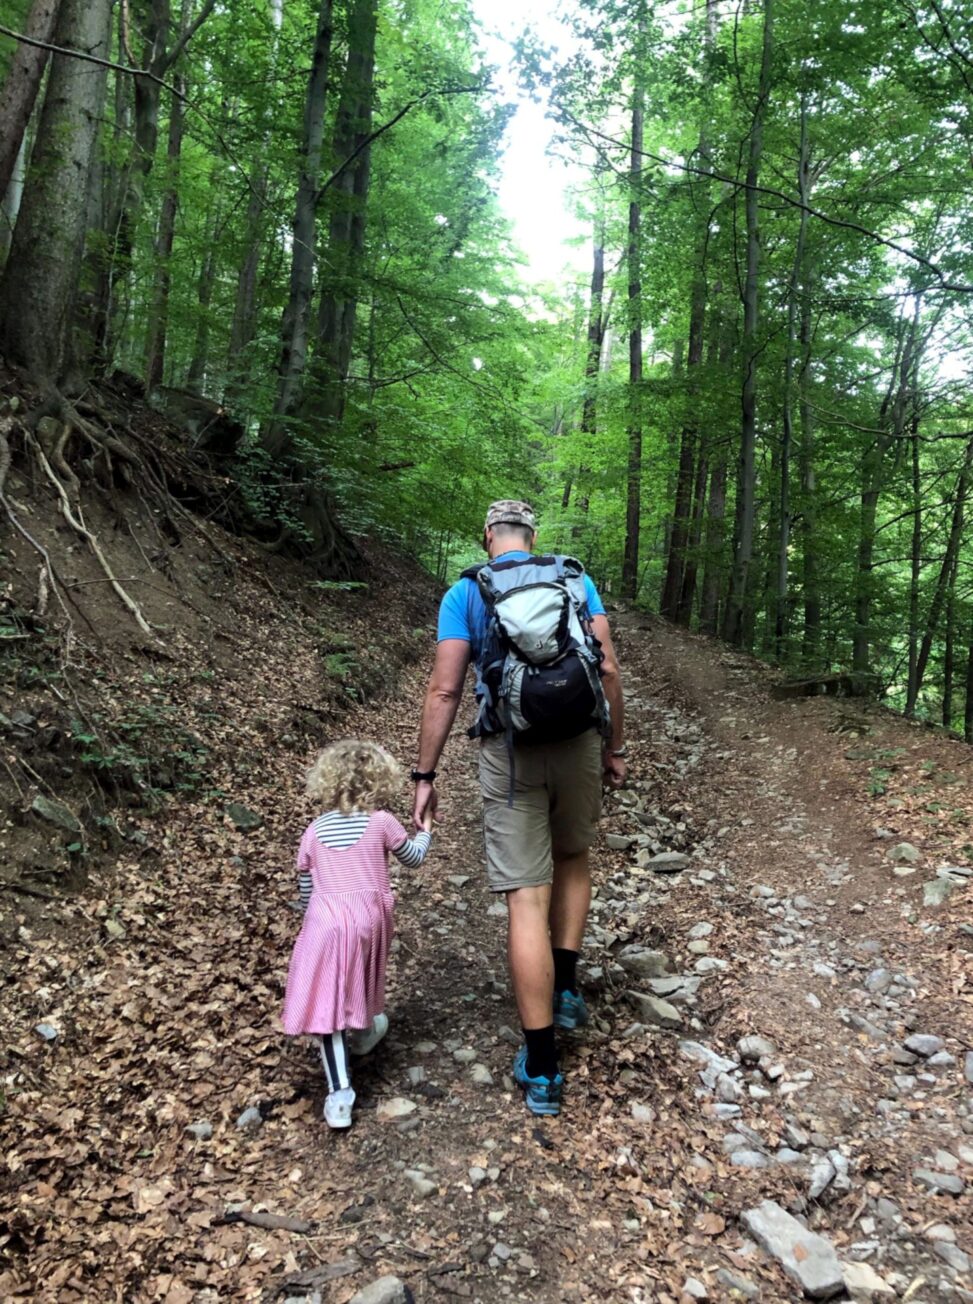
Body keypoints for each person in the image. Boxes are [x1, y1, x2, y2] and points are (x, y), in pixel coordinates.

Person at [412, 500, 625, 1116]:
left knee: (525, 898)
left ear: (487, 536)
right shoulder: (574, 578)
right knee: (573, 857)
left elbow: (446, 689)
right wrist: (614, 747)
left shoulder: (466, 593)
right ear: (533, 536)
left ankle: (543, 1067)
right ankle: (566, 988)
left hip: (509, 750)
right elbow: (608, 669)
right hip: (578, 741)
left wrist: (425, 775)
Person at [282, 740, 433, 1129]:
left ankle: (340, 1095)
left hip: (325, 921)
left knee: (328, 1007)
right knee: (359, 976)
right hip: (368, 920)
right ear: (378, 780)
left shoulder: (314, 831)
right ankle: (364, 1033)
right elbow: (414, 858)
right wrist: (426, 831)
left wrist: (314, 917)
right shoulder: (381, 822)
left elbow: (306, 890)